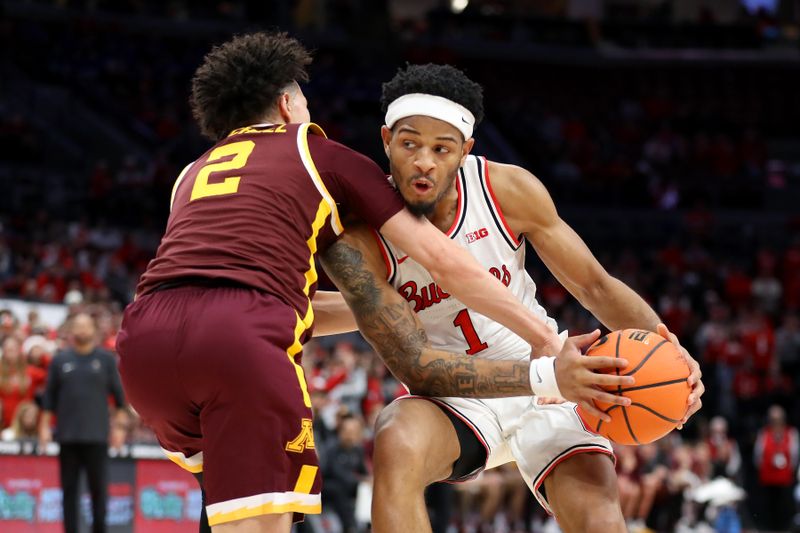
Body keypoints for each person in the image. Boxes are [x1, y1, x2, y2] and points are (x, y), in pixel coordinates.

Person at [116, 32, 571, 533]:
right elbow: (445, 261)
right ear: (288, 103)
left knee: (226, 506)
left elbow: (279, 300)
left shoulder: (191, 172)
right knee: (262, 523)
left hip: (144, 343)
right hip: (237, 334)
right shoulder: (317, 152)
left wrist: (380, 306)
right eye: (304, 99)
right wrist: (545, 339)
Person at [318, 63, 704, 533]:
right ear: (385, 141)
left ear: (466, 150)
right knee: (396, 436)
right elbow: (411, 362)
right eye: (409, 144)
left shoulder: (506, 189)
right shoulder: (359, 236)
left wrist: (674, 353)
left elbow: (595, 286)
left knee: (600, 519)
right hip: (456, 394)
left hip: (548, 374)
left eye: (441, 148)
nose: (424, 161)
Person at [38, 312, 126, 533]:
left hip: (97, 436)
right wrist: (43, 428)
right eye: (78, 326)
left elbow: (119, 400)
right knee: (69, 492)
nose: (82, 330)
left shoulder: (105, 360)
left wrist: (119, 429)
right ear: (71, 331)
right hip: (67, 436)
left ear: (94, 331)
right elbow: (49, 399)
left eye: (86, 325)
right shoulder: (60, 360)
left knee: (99, 492)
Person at [754, 404, 798, 531]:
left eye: (778, 419)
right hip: (767, 478)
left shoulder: (792, 433)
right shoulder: (764, 433)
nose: (775, 422)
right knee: (768, 508)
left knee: (784, 508)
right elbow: (758, 456)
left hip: (784, 479)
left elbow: (794, 456)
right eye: (773, 420)